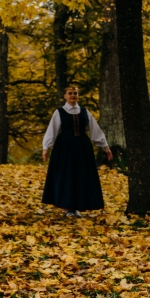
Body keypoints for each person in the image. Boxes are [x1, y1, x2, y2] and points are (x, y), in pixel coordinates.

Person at [41, 85, 112, 217]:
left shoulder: (85, 112)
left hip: (83, 148)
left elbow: (95, 130)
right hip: (64, 149)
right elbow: (52, 130)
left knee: (81, 175)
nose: (73, 96)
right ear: (65, 96)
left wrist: (105, 147)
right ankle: (68, 207)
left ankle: (78, 206)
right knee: (67, 176)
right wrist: (46, 148)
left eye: (75, 93)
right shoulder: (59, 112)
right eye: (70, 93)